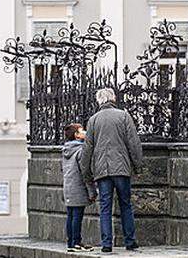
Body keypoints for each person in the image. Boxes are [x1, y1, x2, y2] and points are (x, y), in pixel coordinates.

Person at [81, 87, 144, 253]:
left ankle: (107, 243)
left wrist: (87, 174)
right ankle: (130, 241)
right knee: (125, 205)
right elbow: (133, 143)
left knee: (105, 207)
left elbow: (87, 150)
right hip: (122, 169)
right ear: (113, 99)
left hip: (102, 171)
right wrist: (138, 166)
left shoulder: (93, 120)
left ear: (99, 101)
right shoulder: (123, 116)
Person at [62, 122, 97, 252]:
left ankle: (71, 243)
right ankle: (76, 243)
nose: (85, 133)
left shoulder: (66, 149)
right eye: (82, 131)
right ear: (76, 135)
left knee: (71, 215)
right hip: (78, 187)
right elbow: (85, 172)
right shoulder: (80, 150)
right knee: (77, 216)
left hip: (68, 187)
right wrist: (92, 191)